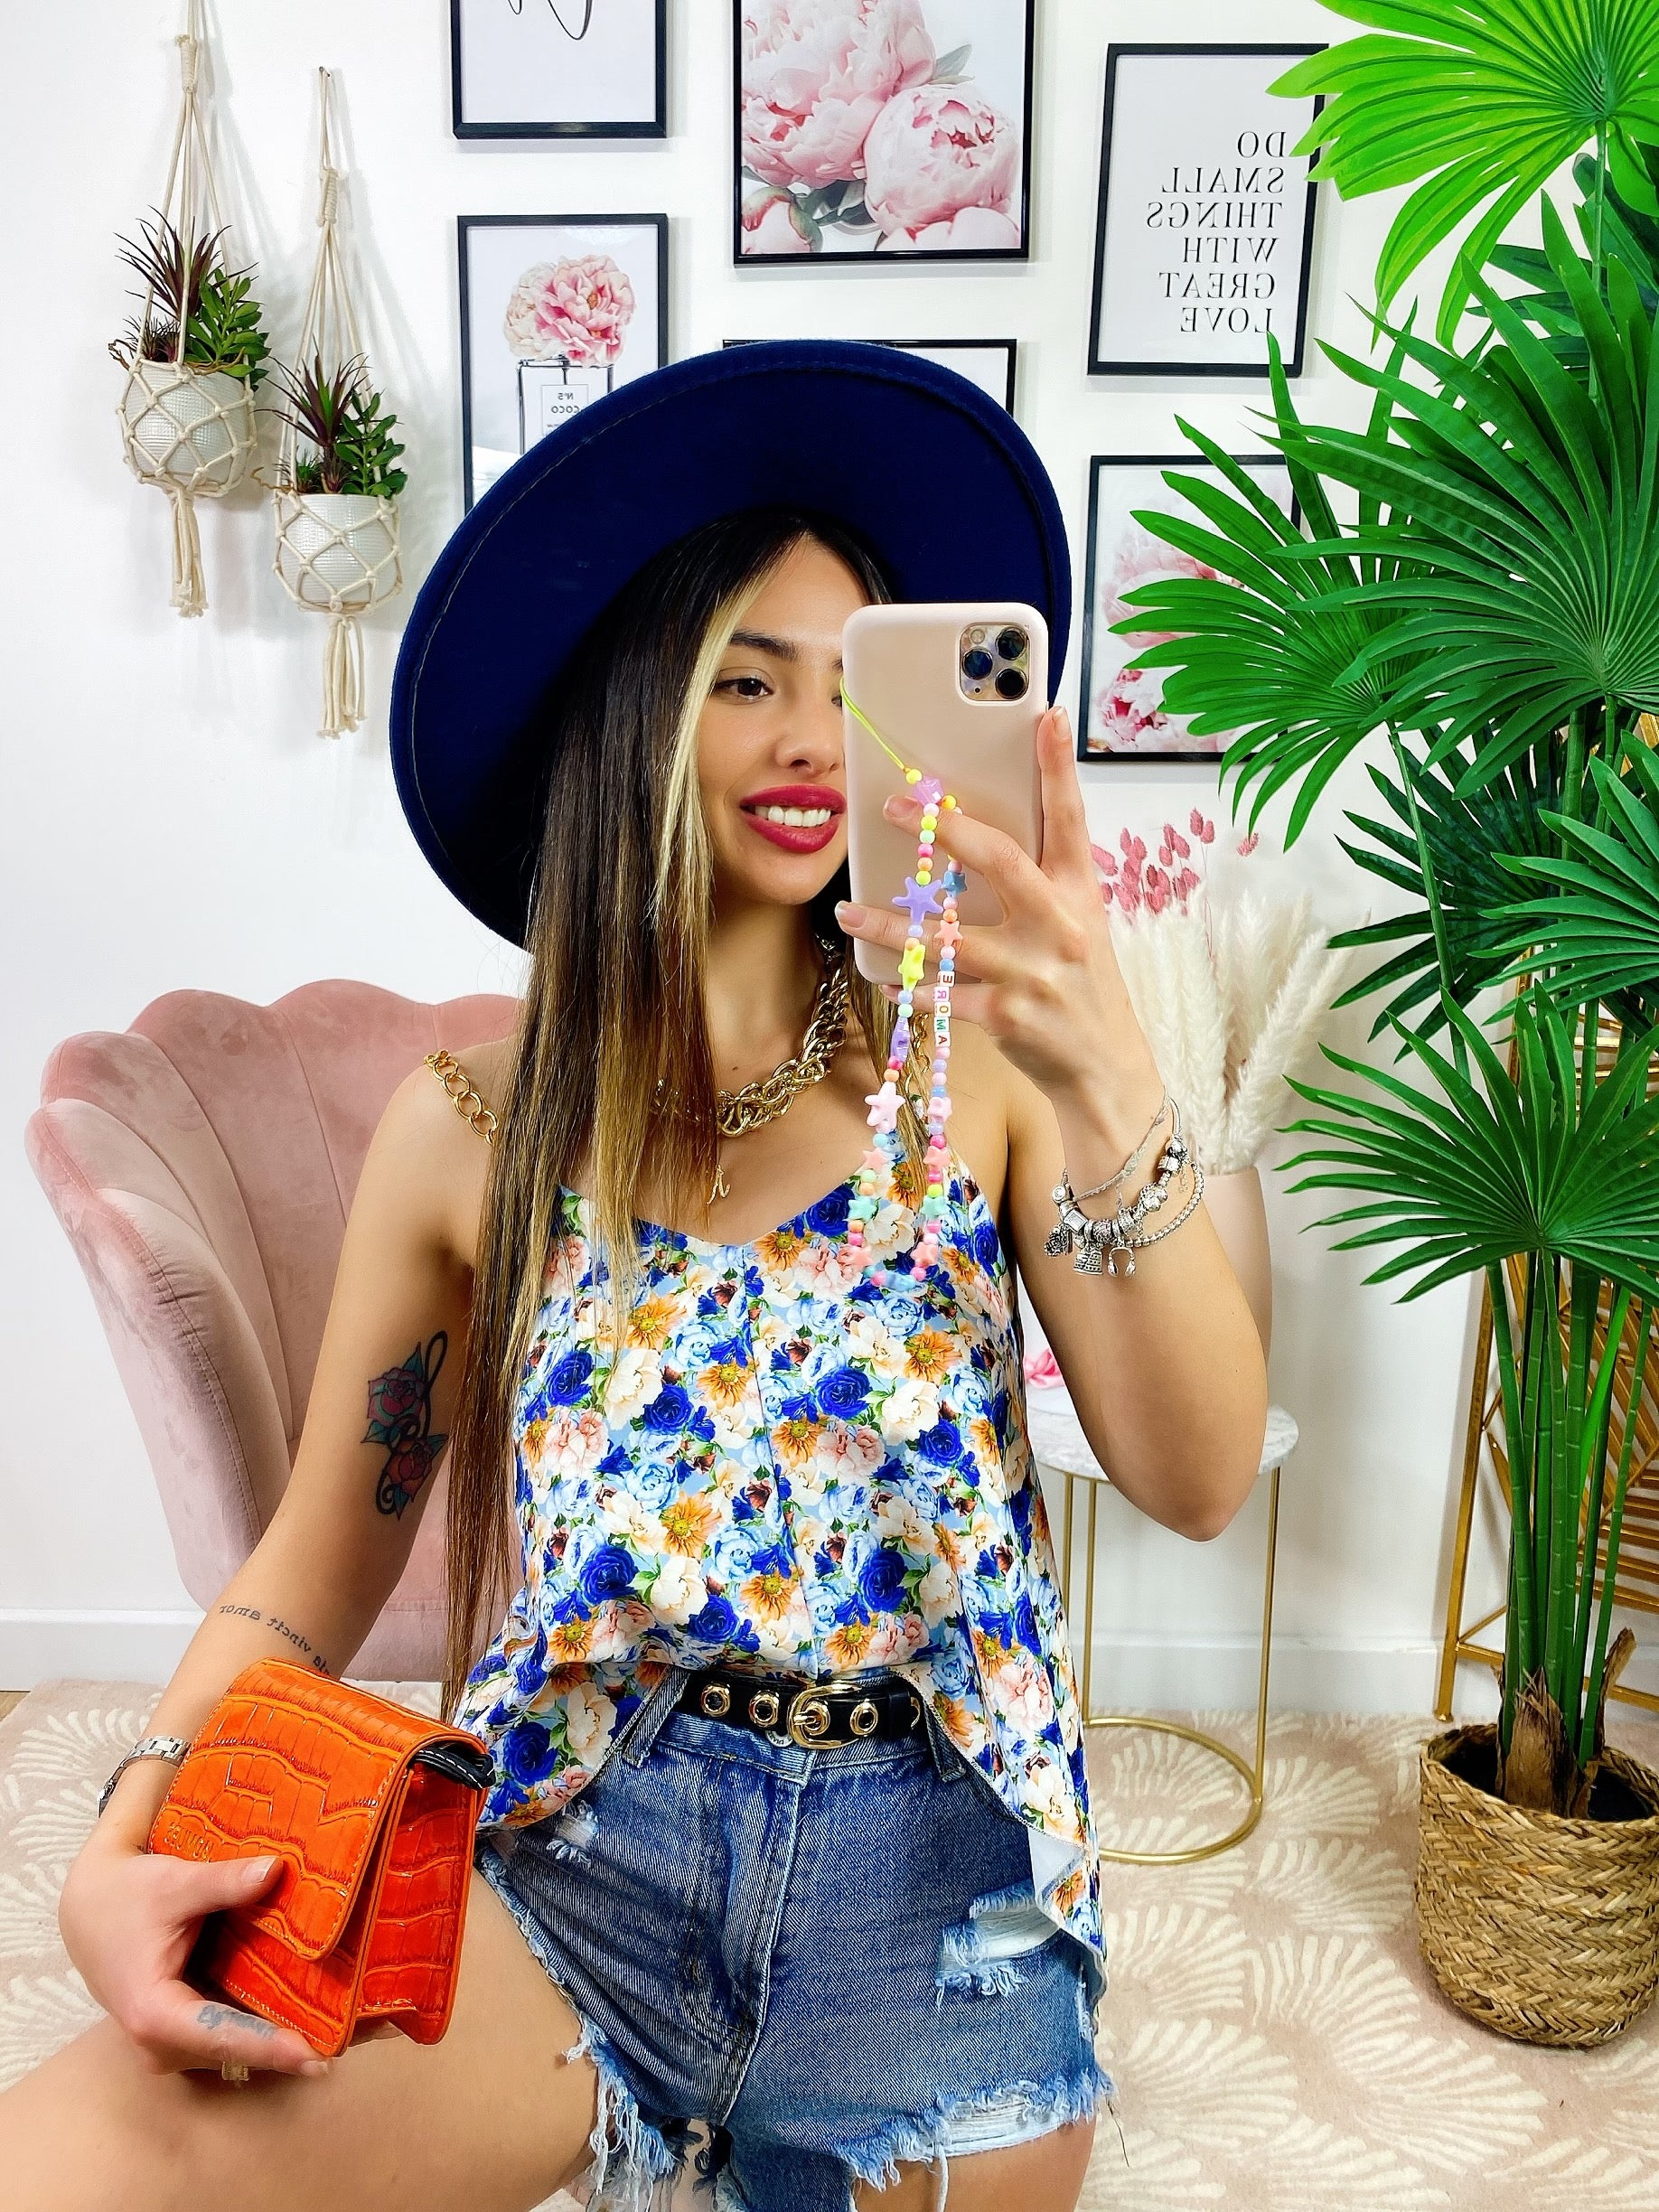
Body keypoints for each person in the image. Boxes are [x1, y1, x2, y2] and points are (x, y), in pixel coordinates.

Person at [1, 342, 1267, 2212]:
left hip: (932, 1901)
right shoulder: (469, 1129)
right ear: (626, 710)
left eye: (853, 684)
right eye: (745, 678)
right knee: (77, 2158)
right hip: (577, 1848)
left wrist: (1112, 1078)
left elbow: (1201, 1475)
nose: (813, 737)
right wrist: (126, 1827)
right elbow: (306, 1573)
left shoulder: (985, 1072)